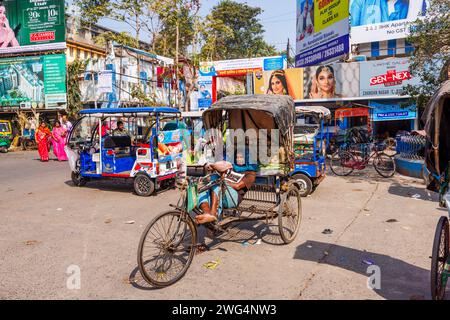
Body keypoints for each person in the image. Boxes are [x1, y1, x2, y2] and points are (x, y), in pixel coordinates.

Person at [196, 152, 258, 224]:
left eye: (241, 157)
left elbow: (238, 186)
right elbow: (221, 174)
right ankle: (207, 213)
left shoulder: (251, 174)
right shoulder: (231, 168)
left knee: (216, 180)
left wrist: (223, 180)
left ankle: (213, 214)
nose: (238, 159)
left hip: (233, 198)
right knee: (204, 189)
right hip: (223, 192)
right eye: (237, 157)